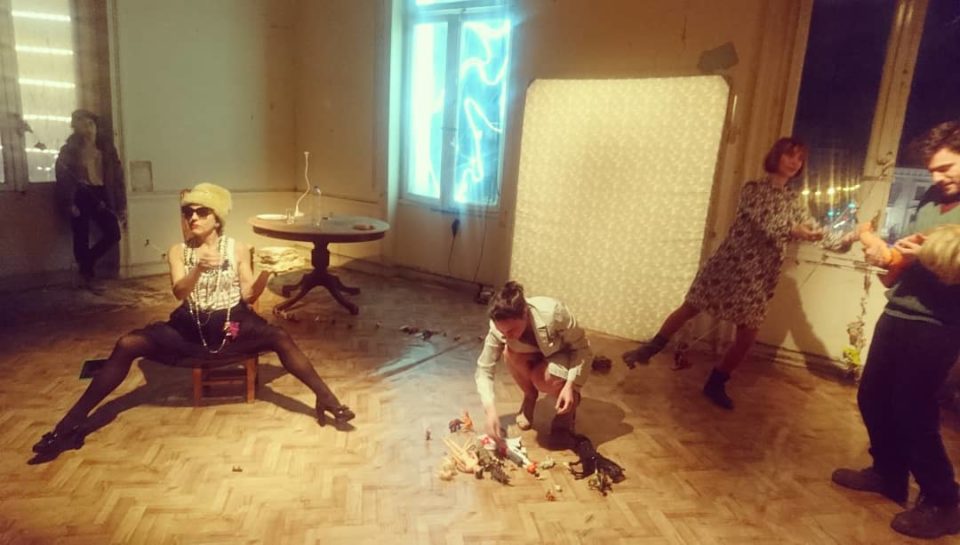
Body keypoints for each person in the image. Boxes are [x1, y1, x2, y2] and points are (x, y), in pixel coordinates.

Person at [31, 183, 354, 463]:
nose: (193, 218)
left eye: (201, 212)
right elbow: (178, 292)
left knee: (280, 336)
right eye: (188, 213)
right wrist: (198, 268)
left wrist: (267, 273)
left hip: (232, 324)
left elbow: (247, 293)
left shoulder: (237, 248)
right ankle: (69, 425)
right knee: (128, 344)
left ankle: (328, 399)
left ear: (217, 219)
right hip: (189, 327)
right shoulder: (178, 251)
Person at [621, 137, 823, 409]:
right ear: (776, 156)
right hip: (729, 265)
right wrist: (796, 230)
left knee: (748, 334)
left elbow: (808, 225)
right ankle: (649, 349)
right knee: (691, 307)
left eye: (800, 158)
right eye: (790, 155)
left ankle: (716, 382)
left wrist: (829, 235)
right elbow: (767, 222)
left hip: (759, 276)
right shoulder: (753, 190)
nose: (795, 162)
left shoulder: (795, 199)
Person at [832, 120, 960, 540]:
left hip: (940, 322)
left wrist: (927, 252)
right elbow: (908, 250)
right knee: (872, 396)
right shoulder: (931, 197)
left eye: (946, 168)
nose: (937, 178)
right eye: (932, 170)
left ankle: (944, 499)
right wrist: (891, 255)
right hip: (901, 309)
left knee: (913, 408)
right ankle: (888, 473)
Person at [475, 281, 591, 444]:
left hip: (561, 354)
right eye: (502, 331)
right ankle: (530, 396)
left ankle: (568, 407)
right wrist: (490, 411)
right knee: (509, 352)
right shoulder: (498, 327)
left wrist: (572, 386)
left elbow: (582, 349)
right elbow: (484, 369)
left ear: (525, 312)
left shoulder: (554, 313)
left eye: (512, 330)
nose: (507, 335)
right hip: (531, 353)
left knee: (545, 380)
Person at [54, 110, 126, 291]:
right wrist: (69, 202)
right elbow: (63, 178)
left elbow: (118, 178)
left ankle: (85, 263)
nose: (88, 129)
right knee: (81, 235)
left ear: (96, 126)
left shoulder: (107, 149)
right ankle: (87, 275)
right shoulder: (69, 151)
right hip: (81, 194)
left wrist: (121, 205)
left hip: (102, 194)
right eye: (82, 125)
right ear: (76, 128)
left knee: (113, 233)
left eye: (90, 124)